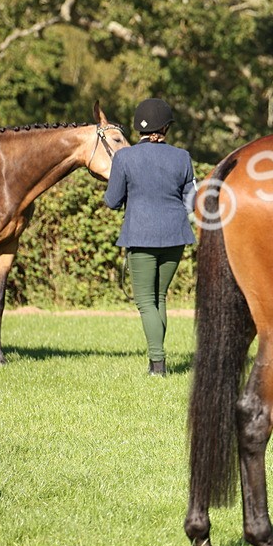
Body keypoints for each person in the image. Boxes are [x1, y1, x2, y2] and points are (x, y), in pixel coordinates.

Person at [104, 98, 196, 376]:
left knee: (145, 302)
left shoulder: (124, 157)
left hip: (140, 236)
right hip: (175, 235)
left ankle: (157, 365)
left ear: (138, 128)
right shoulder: (182, 157)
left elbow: (111, 201)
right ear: (165, 127)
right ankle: (156, 360)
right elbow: (191, 202)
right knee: (160, 297)